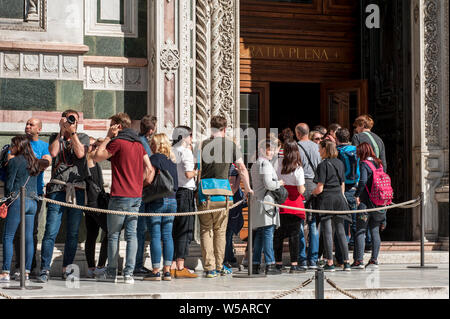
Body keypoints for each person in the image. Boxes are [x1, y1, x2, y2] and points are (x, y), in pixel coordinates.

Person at [94, 112, 152, 284]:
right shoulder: (139, 144)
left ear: (118, 126)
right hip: (136, 196)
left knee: (113, 235)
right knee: (132, 235)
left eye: (111, 124)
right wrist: (138, 184)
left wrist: (107, 137)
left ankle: (112, 272)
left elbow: (97, 156)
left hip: (120, 195)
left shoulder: (117, 142)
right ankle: (129, 274)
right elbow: (149, 169)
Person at [38, 110, 90, 283]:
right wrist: (61, 131)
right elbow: (52, 154)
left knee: (73, 233)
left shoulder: (82, 137)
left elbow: (80, 154)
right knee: (50, 231)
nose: (70, 121)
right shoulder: (55, 136)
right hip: (57, 190)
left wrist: (72, 132)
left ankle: (67, 268)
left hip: (77, 190)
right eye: (67, 118)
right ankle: (44, 269)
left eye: (73, 119)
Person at [198, 115, 252, 278]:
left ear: (210, 128)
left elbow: (197, 169)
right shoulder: (231, 145)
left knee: (206, 230)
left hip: (205, 193)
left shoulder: (203, 145)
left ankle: (209, 267)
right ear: (225, 129)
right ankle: (220, 265)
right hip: (223, 194)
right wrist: (248, 188)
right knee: (220, 231)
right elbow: (242, 168)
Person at [11, 118, 51, 278]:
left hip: (35, 194)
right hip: (17, 195)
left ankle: (31, 266)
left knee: (32, 231)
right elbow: (10, 160)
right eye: (27, 124)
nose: (27, 126)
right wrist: (35, 162)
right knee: (16, 232)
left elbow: (46, 162)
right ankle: (18, 265)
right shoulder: (19, 143)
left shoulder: (42, 146)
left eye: (31, 124)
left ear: (39, 129)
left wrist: (28, 161)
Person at [0, 136, 40, 283]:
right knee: (28, 237)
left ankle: (5, 272)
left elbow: (9, 185)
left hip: (17, 200)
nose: (11, 147)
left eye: (13, 145)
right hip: (32, 202)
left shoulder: (14, 161)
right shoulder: (34, 162)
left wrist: (6, 201)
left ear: (18, 146)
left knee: (8, 236)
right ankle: (26, 272)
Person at [311, 140, 352, 272]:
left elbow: (320, 188)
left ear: (325, 149)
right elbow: (342, 184)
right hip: (339, 198)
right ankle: (346, 262)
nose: (318, 151)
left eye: (320, 148)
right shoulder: (339, 163)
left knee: (328, 232)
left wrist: (312, 193)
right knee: (341, 231)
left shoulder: (322, 165)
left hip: (327, 200)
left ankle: (330, 262)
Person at [143, 133, 178, 281]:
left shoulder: (154, 159)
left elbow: (148, 179)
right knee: (168, 235)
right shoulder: (172, 161)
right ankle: (167, 271)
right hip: (172, 201)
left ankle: (156, 270)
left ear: (155, 145)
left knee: (156, 236)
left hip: (157, 201)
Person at [250, 139, 283, 275]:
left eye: (274, 149)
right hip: (267, 202)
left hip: (259, 202)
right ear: (263, 150)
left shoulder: (256, 163)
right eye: (270, 149)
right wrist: (279, 183)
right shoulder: (265, 164)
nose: (273, 152)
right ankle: (270, 264)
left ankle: (256, 263)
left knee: (260, 235)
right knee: (268, 233)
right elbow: (269, 184)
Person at [351, 142, 386, 269]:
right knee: (375, 230)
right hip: (378, 203)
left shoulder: (364, 163)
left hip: (365, 203)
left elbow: (363, 180)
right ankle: (374, 260)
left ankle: (358, 261)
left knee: (361, 231)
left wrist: (357, 194)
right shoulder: (379, 163)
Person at [170, 126, 198, 279]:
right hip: (185, 192)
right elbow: (188, 174)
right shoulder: (185, 151)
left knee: (175, 228)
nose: (191, 138)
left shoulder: (171, 150)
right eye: (190, 135)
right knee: (185, 229)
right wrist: (196, 171)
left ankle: (173, 263)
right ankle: (180, 265)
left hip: (174, 191)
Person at [352, 114, 387, 235]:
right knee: (375, 218)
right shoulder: (379, 139)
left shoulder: (357, 137)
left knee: (363, 213)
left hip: (365, 179)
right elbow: (383, 162)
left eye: (357, 126)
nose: (356, 129)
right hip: (378, 181)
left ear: (362, 125)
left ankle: (362, 240)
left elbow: (356, 159)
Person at [274, 140, 306, 273]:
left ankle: (278, 263)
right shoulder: (297, 167)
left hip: (281, 202)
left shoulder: (277, 164)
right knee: (294, 236)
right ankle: (294, 264)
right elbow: (301, 190)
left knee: (279, 235)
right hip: (295, 204)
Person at [295, 123, 321, 270]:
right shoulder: (317, 146)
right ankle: (314, 259)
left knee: (300, 220)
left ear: (298, 133)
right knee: (313, 223)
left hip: (301, 183)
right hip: (315, 184)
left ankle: (302, 258)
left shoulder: (296, 147)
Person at [134, 115, 157, 276]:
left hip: (137, 189)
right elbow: (150, 166)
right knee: (139, 230)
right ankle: (136, 265)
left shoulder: (138, 140)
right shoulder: (143, 143)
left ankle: (135, 264)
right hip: (141, 190)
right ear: (151, 130)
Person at [84, 137, 109, 278]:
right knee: (110, 231)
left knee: (92, 235)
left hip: (91, 204)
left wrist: (99, 143)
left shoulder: (92, 160)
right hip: (95, 204)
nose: (95, 148)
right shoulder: (89, 161)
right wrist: (103, 141)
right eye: (92, 146)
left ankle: (92, 268)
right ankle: (99, 267)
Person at [335, 128, 359, 255]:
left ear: (337, 139)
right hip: (355, 187)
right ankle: (357, 255)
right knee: (355, 223)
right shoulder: (356, 150)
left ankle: (341, 256)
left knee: (342, 224)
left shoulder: (337, 152)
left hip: (342, 187)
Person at [223, 163, 245, 269]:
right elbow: (233, 189)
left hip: (228, 203)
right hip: (231, 204)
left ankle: (229, 257)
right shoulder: (232, 168)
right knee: (228, 233)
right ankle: (227, 258)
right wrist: (240, 175)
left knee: (228, 234)